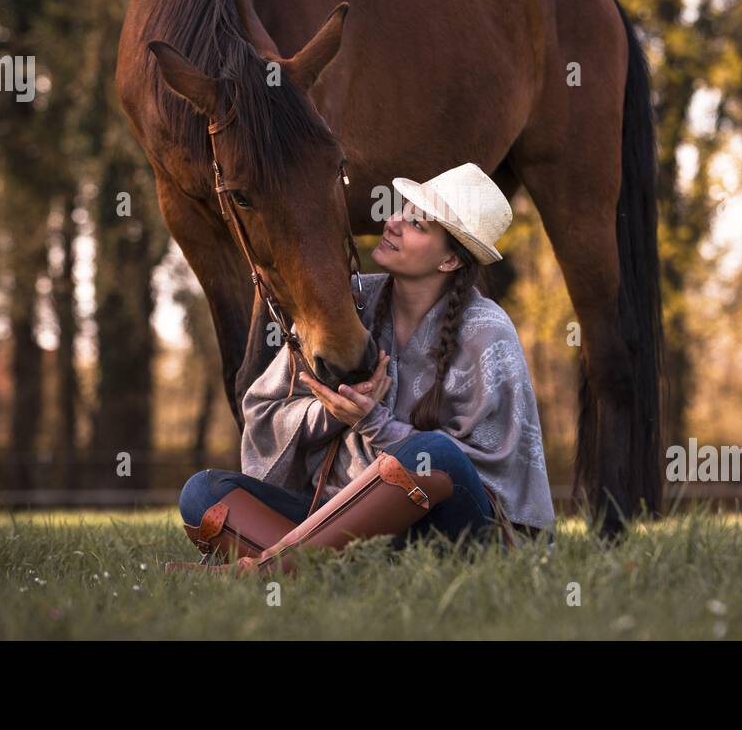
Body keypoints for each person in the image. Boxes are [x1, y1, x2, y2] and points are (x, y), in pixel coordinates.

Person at [169, 162, 556, 575]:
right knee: (204, 492)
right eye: (400, 210)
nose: (392, 223)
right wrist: (332, 413)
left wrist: (374, 422)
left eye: (417, 224)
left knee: (435, 452)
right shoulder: (350, 304)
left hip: (451, 532)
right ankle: (329, 568)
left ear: (448, 261)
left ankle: (268, 568)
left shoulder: (488, 332)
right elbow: (266, 411)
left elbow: (479, 474)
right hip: (341, 518)